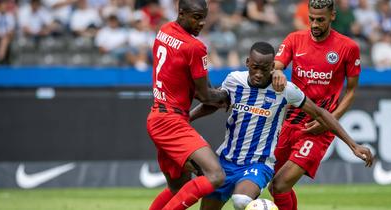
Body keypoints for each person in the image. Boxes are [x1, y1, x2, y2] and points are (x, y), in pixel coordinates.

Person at [190, 42, 374, 210]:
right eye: (255, 68)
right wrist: (187, 118)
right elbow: (215, 104)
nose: (259, 74)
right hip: (226, 160)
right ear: (247, 62)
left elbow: (320, 113)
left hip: (258, 163)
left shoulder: (285, 90)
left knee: (241, 201)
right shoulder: (234, 80)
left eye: (264, 69)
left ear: (272, 67)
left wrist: (353, 144)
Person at [270, 1, 373, 209]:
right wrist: (278, 71)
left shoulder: (348, 47)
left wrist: (330, 121)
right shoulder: (294, 39)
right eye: (312, 19)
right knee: (275, 187)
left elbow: (351, 91)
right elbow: (277, 66)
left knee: (281, 184)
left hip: (319, 129)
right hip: (289, 122)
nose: (315, 24)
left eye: (320, 20)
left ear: (332, 16)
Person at [146, 0, 228, 209]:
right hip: (171, 121)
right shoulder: (195, 47)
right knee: (216, 175)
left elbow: (202, 88)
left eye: (203, 17)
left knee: (177, 188)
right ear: (181, 13)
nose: (201, 23)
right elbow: (205, 95)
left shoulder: (164, 30)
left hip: (158, 116)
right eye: (196, 17)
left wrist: (212, 96)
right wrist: (228, 96)